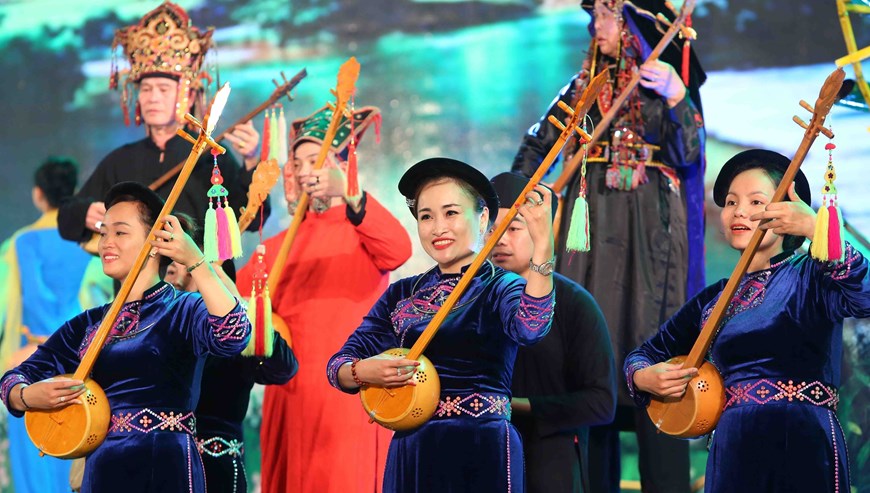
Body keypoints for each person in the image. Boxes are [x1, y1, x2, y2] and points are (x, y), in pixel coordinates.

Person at [510, 0, 707, 490]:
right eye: (594, 15)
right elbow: (537, 146)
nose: (595, 26)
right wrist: (516, 195)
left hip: (652, 227)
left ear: (634, 26)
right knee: (590, 333)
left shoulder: (665, 83)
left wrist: (680, 97)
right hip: (590, 225)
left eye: (606, 16)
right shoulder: (582, 89)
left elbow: (691, 152)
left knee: (648, 326)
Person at [625, 149, 866, 493]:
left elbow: (866, 296)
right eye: (730, 202)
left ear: (786, 212)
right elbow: (644, 355)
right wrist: (644, 376)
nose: (739, 211)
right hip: (733, 447)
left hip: (801, 442)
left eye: (756, 202)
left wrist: (817, 230)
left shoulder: (812, 275)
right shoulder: (713, 298)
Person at [0, 181, 251, 492]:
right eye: (104, 233)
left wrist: (196, 261)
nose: (106, 242)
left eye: (120, 232)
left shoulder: (183, 309)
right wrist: (25, 396)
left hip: (167, 467)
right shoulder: (89, 323)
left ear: (156, 242)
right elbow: (14, 379)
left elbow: (235, 334)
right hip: (104, 470)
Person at [326, 157, 556, 492]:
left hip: (481, 448)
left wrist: (543, 247)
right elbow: (338, 366)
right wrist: (363, 371)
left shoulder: (500, 286)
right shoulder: (401, 294)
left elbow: (531, 328)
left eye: (451, 213)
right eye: (426, 216)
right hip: (413, 449)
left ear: (483, 219)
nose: (437, 227)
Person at [235, 104, 413, 493]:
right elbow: (230, 305)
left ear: (341, 166)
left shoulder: (364, 231)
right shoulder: (275, 248)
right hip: (290, 396)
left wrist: (349, 193)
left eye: (315, 160)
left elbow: (399, 250)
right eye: (296, 162)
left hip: (347, 393)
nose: (303, 170)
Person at [58, 1, 269, 270]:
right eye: (146, 90)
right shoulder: (121, 160)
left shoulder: (209, 156)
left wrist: (251, 160)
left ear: (188, 95)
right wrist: (84, 213)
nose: (152, 98)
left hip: (198, 293)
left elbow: (253, 219)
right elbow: (66, 217)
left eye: (163, 89)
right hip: (136, 297)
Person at [489, 172, 616, 493]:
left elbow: (601, 402)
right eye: (491, 229)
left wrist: (518, 405)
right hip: (484, 451)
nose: (500, 240)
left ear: (540, 231)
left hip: (550, 457)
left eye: (513, 229)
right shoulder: (471, 300)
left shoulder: (574, 304)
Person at [0, 157, 112, 493]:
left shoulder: (18, 244)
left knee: (35, 464)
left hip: (30, 365)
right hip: (81, 366)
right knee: (76, 457)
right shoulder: (91, 243)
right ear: (74, 193)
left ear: (38, 195)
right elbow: (103, 300)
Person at [165, 244, 298, 493]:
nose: (174, 271)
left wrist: (237, 304)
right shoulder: (156, 327)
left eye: (190, 268)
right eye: (171, 266)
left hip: (218, 471)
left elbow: (284, 368)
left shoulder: (239, 336)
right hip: (162, 467)